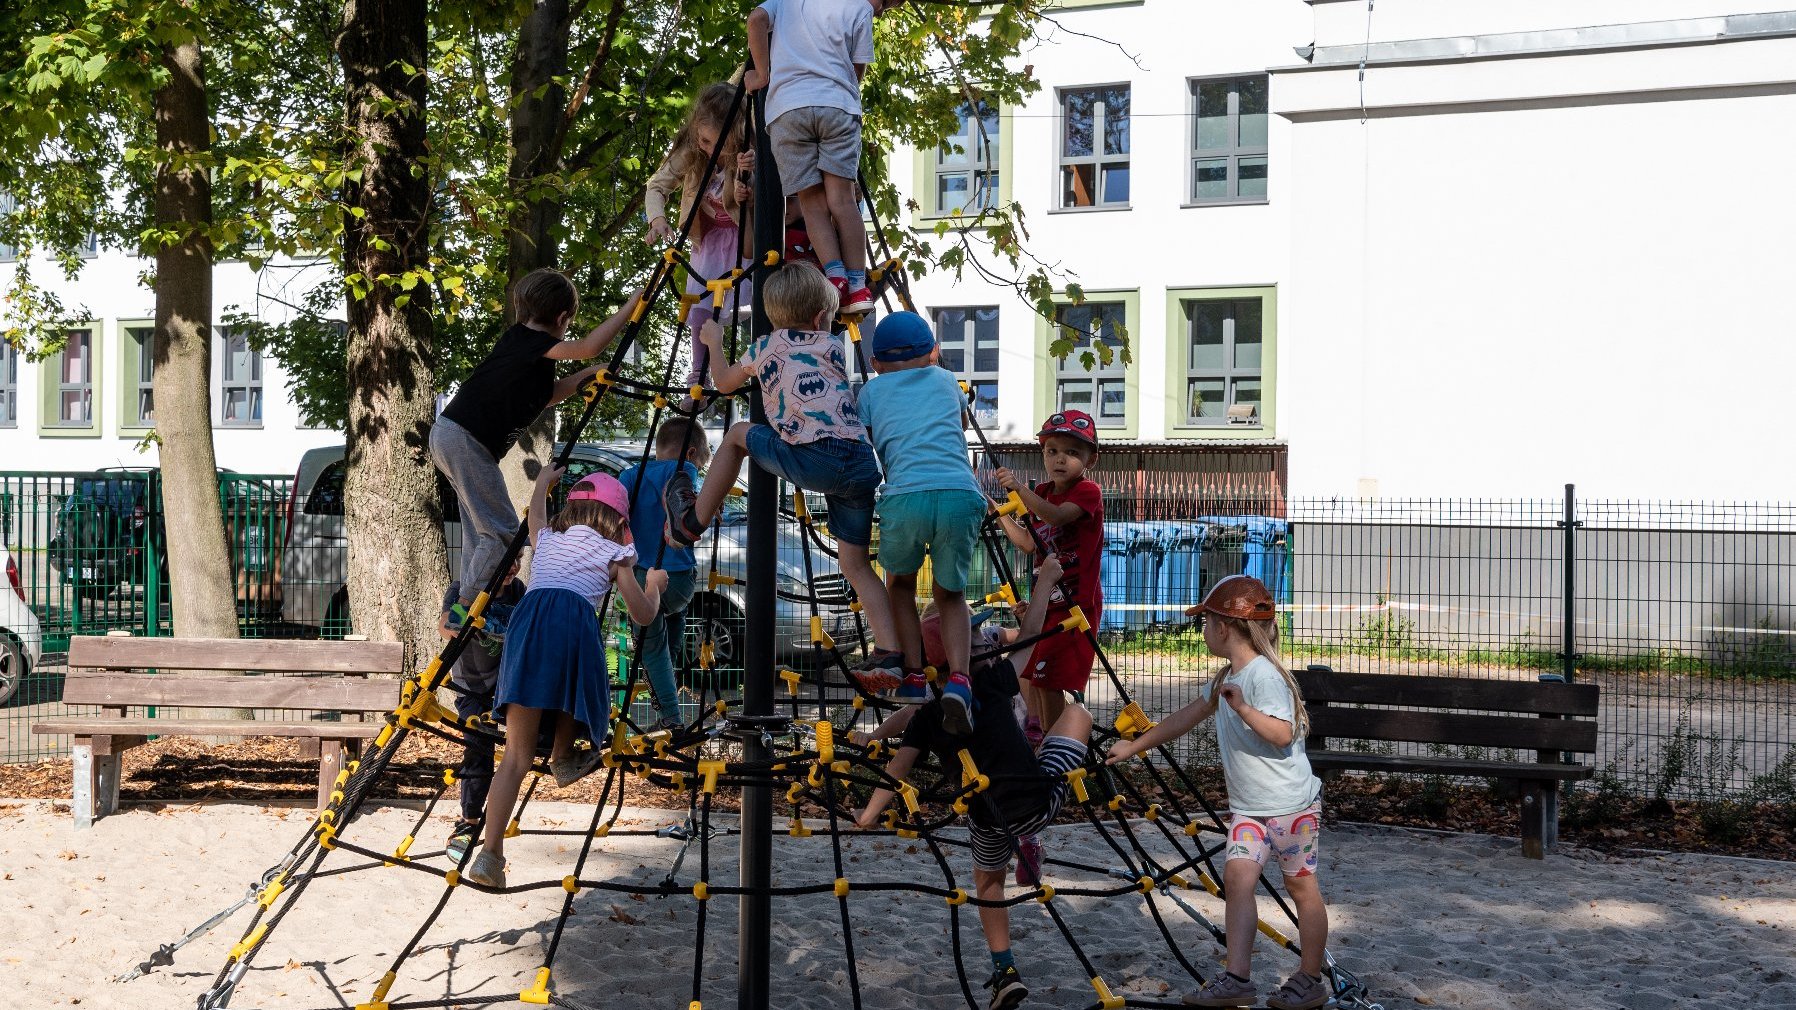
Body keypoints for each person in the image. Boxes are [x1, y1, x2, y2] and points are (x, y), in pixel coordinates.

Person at [853, 556, 1086, 1010]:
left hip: (987, 818)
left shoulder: (926, 713)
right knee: (1078, 712)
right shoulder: (997, 680)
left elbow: (897, 769)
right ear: (965, 651)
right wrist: (1046, 585)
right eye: (975, 634)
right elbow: (1033, 638)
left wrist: (868, 814)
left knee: (987, 883)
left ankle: (1005, 970)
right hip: (1039, 799)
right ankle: (1037, 759)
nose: (982, 636)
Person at [662, 262, 901, 674]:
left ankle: (692, 521)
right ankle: (890, 655)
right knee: (857, 566)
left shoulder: (765, 346)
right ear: (821, 318)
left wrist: (714, 340)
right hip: (861, 461)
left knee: (737, 433)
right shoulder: (831, 345)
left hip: (814, 457)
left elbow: (722, 383)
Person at [1106, 576, 1329, 1010]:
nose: (1202, 631)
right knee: (1237, 881)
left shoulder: (1263, 677)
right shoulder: (1228, 675)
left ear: (1225, 626)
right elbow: (1187, 716)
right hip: (1249, 811)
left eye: (1205, 622)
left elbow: (1282, 734)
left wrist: (1243, 708)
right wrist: (1135, 744)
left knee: (1301, 888)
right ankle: (1237, 977)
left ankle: (1310, 977)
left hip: (1291, 810)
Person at [465, 468, 666, 889]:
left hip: (529, 622)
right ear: (617, 520)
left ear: (572, 508)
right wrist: (655, 587)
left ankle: (490, 854)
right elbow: (641, 614)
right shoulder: (615, 552)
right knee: (581, 679)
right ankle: (563, 755)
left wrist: (541, 486)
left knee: (515, 758)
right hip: (571, 621)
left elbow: (536, 519)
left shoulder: (549, 541)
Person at [430, 269, 642, 631]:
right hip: (466, 439)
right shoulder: (528, 340)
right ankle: (462, 608)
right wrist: (632, 304)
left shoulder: (524, 352)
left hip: (452, 435)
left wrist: (588, 375)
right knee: (501, 531)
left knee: (480, 532)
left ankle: (460, 604)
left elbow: (547, 397)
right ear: (562, 319)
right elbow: (590, 345)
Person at [853, 310, 986, 717]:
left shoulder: (870, 393)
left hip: (905, 496)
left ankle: (913, 676)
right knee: (951, 595)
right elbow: (961, 423)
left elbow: (868, 440)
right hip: (959, 495)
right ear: (933, 354)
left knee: (901, 587)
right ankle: (960, 681)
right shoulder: (947, 380)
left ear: (876, 365)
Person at [995, 408, 1104, 884]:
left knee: (1051, 678)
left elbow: (1057, 517)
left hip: (1076, 609)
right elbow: (1031, 543)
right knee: (1026, 674)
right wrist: (1003, 515)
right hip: (1047, 601)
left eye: (1071, 453)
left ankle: (1054, 753)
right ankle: (1038, 737)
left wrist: (1019, 492)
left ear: (1089, 461)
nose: (1060, 460)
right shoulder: (1038, 494)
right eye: (1053, 451)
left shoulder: (1086, 493)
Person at [745, 0, 906, 315]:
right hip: (838, 107)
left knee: (812, 204)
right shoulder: (858, 8)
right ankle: (857, 287)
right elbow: (856, 71)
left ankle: (835, 281)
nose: (882, 10)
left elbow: (755, 20)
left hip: (787, 110)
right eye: (886, 3)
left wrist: (763, 75)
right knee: (843, 201)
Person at [645, 82, 756, 395]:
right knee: (699, 307)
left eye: (719, 143)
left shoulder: (747, 151)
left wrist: (747, 182)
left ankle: (757, 366)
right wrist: (658, 219)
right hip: (708, 239)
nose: (711, 149)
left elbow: (761, 194)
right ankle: (699, 372)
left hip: (741, 234)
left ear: (736, 133)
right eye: (705, 140)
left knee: (754, 302)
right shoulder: (694, 150)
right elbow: (657, 185)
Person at [619, 417, 713, 732]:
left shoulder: (632, 475)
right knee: (671, 625)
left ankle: (671, 716)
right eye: (700, 460)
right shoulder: (686, 473)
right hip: (683, 579)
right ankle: (668, 683)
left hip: (647, 577)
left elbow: (616, 508)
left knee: (650, 646)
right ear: (690, 453)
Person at [437, 559, 526, 863]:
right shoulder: (464, 588)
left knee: (523, 745)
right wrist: (470, 600)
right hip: (471, 686)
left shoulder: (517, 590)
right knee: (479, 747)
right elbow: (448, 627)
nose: (513, 566)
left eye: (517, 559)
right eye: (506, 560)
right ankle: (469, 821)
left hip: (504, 684)